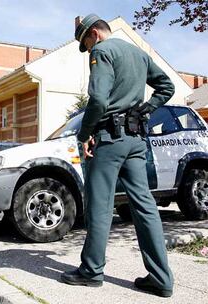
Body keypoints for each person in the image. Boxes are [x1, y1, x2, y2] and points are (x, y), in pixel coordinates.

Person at [60, 14, 175, 298]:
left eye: (86, 43)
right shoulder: (138, 53)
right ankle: (161, 279)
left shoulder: (102, 51)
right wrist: (146, 110)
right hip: (136, 141)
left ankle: (91, 271)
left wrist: (84, 133)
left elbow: (98, 100)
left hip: (110, 140)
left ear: (95, 34)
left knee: (100, 205)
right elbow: (167, 87)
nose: (88, 50)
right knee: (145, 207)